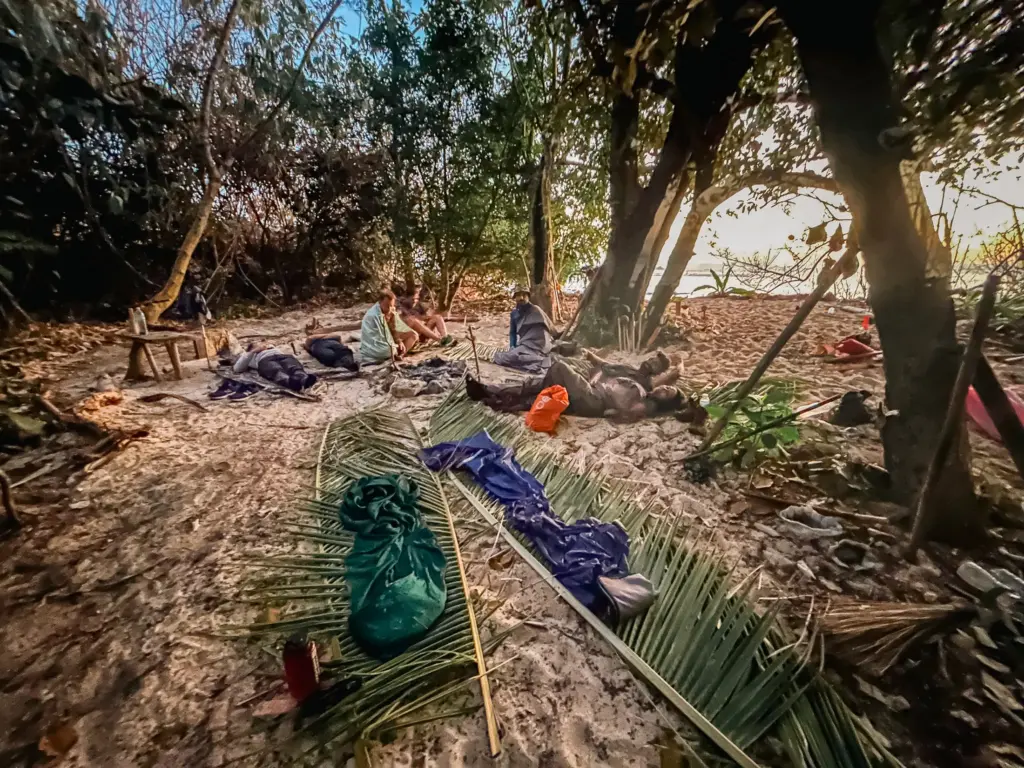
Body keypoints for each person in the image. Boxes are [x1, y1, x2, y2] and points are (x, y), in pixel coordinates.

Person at [467, 351, 687, 421]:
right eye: (652, 359)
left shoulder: (645, 392)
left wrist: (610, 409)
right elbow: (604, 367)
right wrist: (593, 365)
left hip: (594, 399)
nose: (650, 362)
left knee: (558, 369)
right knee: (540, 382)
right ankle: (493, 393)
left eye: (667, 392)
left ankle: (501, 396)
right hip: (592, 390)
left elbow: (625, 414)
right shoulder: (631, 374)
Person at [494, 288, 558, 373]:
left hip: (540, 344)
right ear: (515, 298)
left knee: (511, 357)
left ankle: (542, 361)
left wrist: (557, 337)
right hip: (526, 343)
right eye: (518, 295)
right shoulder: (514, 314)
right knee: (507, 356)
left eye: (524, 295)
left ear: (528, 297)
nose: (521, 298)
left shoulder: (536, 309)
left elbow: (550, 326)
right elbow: (513, 332)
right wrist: (512, 346)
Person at [360, 290, 418, 364]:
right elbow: (381, 336)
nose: (390, 309)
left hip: (388, 341)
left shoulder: (390, 311)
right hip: (374, 346)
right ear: (380, 302)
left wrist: (399, 341)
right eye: (387, 306)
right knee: (390, 349)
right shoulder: (374, 315)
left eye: (392, 306)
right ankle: (395, 353)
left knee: (414, 335)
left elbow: (393, 330)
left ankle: (400, 355)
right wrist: (395, 344)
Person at [233, 343, 318, 392]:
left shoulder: (272, 347)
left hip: (282, 356)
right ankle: (290, 382)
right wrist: (253, 351)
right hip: (264, 360)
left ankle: (304, 379)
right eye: (256, 344)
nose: (261, 344)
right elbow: (237, 368)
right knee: (276, 370)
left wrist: (270, 347)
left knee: (293, 366)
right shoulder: (249, 355)